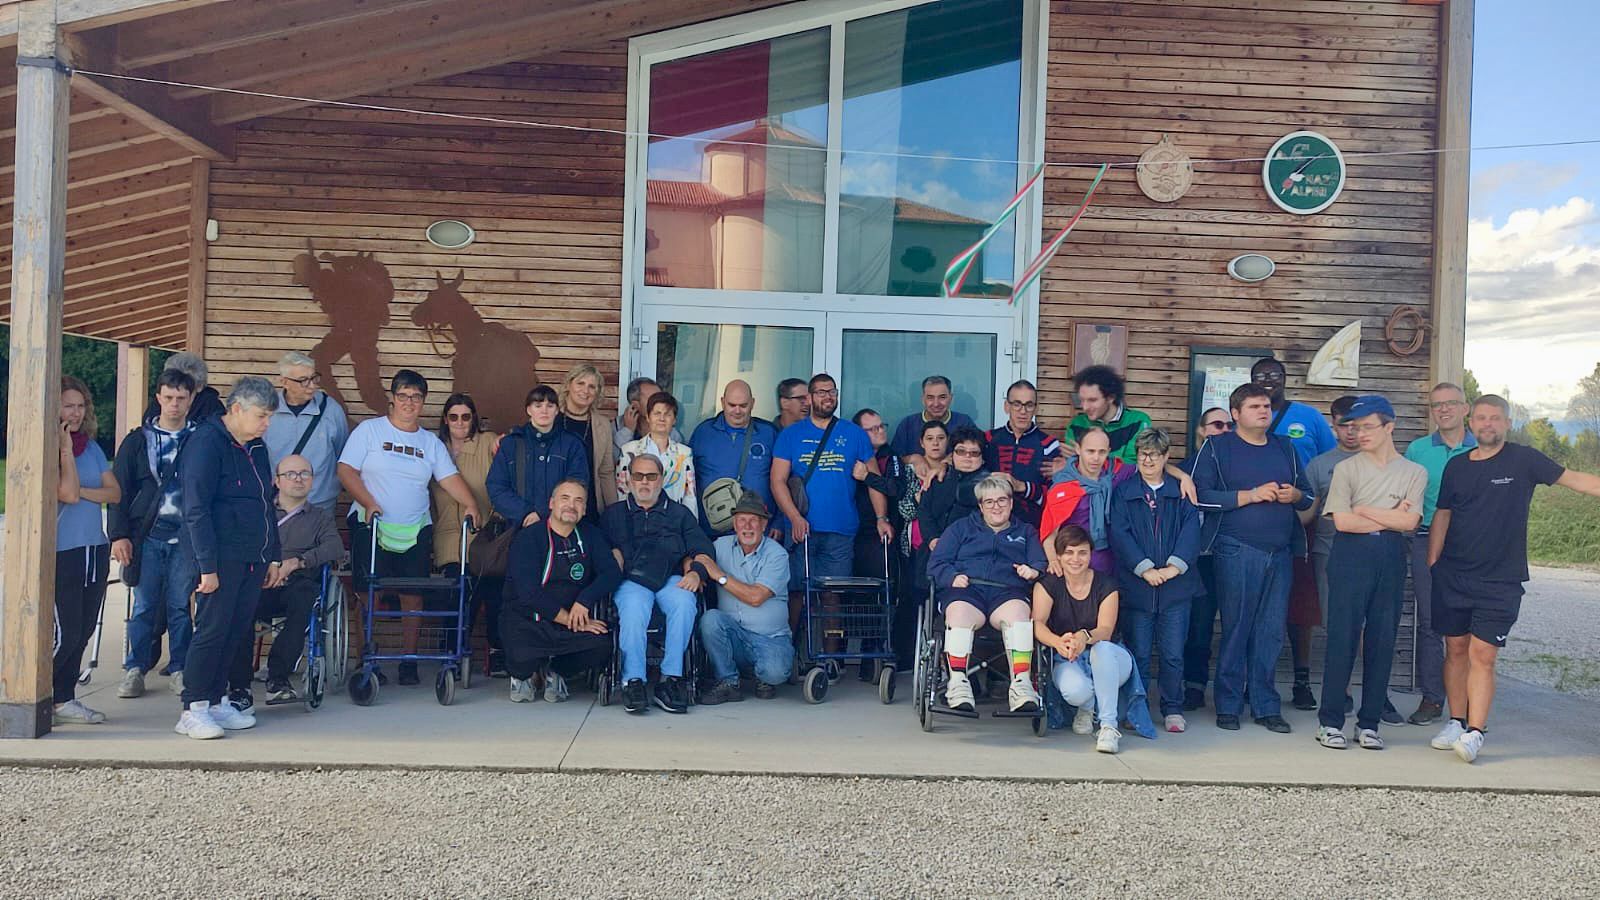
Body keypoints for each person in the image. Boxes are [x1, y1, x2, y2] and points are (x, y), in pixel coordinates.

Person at [1427, 395, 1600, 763]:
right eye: (1481, 418)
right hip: (1453, 575)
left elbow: (1577, 481)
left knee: (1483, 654)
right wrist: (1433, 560)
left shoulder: (1524, 460)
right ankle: (1456, 722)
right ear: (1470, 423)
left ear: (1507, 424)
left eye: (1495, 418)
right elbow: (1443, 512)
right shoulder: (1457, 466)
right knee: (1455, 650)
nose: (1487, 424)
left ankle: (1476, 732)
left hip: (1500, 580)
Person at [339, 370, 481, 686]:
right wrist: (368, 501)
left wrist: (470, 504)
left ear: (423, 401)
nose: (409, 402)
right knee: (368, 593)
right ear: (392, 398)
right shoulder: (370, 431)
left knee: (412, 595)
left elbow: (448, 478)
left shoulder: (429, 442)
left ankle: (408, 661)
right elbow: (346, 470)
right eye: (403, 395)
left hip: (414, 527)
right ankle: (368, 660)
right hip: (370, 523)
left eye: (416, 397)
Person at [1191, 382, 1313, 734]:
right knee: (1237, 628)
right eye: (1255, 406)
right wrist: (1250, 495)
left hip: (1281, 551)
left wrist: (1294, 495)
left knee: (1271, 631)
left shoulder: (1284, 447)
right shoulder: (1219, 447)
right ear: (1236, 413)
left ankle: (1265, 706)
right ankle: (1228, 705)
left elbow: (1308, 498)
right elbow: (1200, 496)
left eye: (1267, 406)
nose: (1264, 411)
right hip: (1236, 548)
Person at [1315, 396, 1427, 751]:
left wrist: (1366, 508)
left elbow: (1409, 522)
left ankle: (1370, 723)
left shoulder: (1414, 472)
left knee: (1382, 639)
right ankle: (1330, 721)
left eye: (1366, 426)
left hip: (1391, 556)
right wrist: (1386, 513)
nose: (1358, 433)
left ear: (1389, 427)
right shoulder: (1347, 469)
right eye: (1353, 426)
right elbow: (1343, 522)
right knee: (1342, 637)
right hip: (1350, 556)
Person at [175, 377, 279, 740]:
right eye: (262, 416)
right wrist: (207, 567)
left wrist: (274, 556)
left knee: (236, 631)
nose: (266, 424)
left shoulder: (259, 448)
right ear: (237, 409)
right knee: (211, 630)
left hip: (253, 556)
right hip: (218, 558)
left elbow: (268, 502)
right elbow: (195, 509)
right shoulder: (205, 442)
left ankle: (218, 699)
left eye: (269, 417)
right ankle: (193, 707)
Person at [226, 454, 347, 706]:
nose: (298, 479)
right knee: (239, 607)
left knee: (304, 599)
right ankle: (239, 684)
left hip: (297, 584)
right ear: (277, 481)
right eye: (290, 474)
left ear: (312, 481)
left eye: (304, 474)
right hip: (259, 582)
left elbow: (334, 547)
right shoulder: (259, 513)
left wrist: (297, 562)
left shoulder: (320, 518)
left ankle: (278, 678)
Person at [603, 454, 715, 715]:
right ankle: (634, 680)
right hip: (632, 579)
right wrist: (613, 555)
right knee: (632, 608)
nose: (644, 482)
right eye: (638, 476)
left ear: (661, 480)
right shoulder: (613, 515)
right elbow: (599, 550)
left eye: (651, 476)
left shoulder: (679, 514)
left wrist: (697, 572)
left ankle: (671, 679)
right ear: (628, 480)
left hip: (670, 577)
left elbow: (703, 547)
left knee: (685, 603)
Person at [110, 368, 199, 700]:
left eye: (181, 398)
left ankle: (179, 668)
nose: (174, 404)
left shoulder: (200, 439)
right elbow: (119, 490)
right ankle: (135, 668)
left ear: (191, 400)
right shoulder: (138, 441)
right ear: (158, 397)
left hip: (187, 536)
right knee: (144, 605)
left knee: (180, 606)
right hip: (147, 534)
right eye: (169, 397)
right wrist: (119, 535)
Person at [926, 474, 1047, 713]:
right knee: (958, 615)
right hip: (968, 590)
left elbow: (1039, 562)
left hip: (1007, 592)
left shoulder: (1026, 531)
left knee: (1020, 617)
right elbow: (936, 564)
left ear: (1011, 503)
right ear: (980, 506)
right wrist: (951, 576)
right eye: (989, 502)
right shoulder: (960, 528)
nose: (996, 506)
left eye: (1002, 500)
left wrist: (1032, 571)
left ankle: (1021, 685)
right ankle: (958, 683)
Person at [770, 373, 883, 625]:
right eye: (821, 392)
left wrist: (882, 517)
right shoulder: (791, 434)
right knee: (796, 593)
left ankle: (830, 662)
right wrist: (794, 517)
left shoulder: (854, 434)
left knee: (833, 598)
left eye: (832, 391)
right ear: (810, 398)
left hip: (841, 530)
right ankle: (792, 658)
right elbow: (777, 481)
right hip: (801, 530)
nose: (828, 397)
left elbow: (874, 480)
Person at [1109, 428, 1201, 733]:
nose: (1148, 459)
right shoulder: (1125, 491)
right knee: (1138, 653)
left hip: (1176, 589)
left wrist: (1173, 568)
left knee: (1173, 653)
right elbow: (1120, 534)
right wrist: (1145, 568)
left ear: (1165, 457)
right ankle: (1136, 707)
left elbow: (1191, 532)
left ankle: (1173, 708)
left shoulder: (1180, 491)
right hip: (1138, 587)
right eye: (1143, 453)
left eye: (1154, 454)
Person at [1033, 526, 1155, 754]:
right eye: (1069, 552)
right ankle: (1088, 707)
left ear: (1091, 554)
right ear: (1058, 555)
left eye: (1082, 552)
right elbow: (1037, 623)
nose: (1075, 559)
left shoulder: (1106, 585)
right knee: (1075, 691)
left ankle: (1108, 726)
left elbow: (1106, 630)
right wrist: (1057, 642)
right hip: (1067, 655)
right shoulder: (1048, 585)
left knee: (1103, 649)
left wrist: (1084, 636)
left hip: (1110, 658)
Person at [502, 479, 618, 704]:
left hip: (570, 621)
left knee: (602, 644)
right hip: (527, 621)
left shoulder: (591, 535)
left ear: (584, 510)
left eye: (578, 501)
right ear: (551, 504)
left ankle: (556, 671)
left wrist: (584, 601)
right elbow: (528, 594)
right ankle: (524, 675)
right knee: (522, 658)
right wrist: (571, 620)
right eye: (565, 498)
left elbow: (611, 573)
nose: (571, 505)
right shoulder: (528, 538)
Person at [1401, 381, 1476, 726]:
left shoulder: (1484, 448)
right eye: (1436, 405)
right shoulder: (1417, 451)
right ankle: (1432, 699)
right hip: (1426, 539)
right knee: (1431, 622)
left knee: (1474, 626)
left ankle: (1473, 703)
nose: (1443, 409)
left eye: (1450, 403)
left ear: (1465, 408)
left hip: (1475, 545)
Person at [51, 376, 122, 726]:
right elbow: (67, 493)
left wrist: (85, 490)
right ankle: (26, 695)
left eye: (80, 405)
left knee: (83, 632)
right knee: (64, 634)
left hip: (94, 548)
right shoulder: (49, 447)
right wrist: (64, 448)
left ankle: (64, 698)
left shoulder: (91, 448)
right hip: (63, 550)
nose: (76, 412)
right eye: (68, 405)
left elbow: (115, 493)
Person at [1290, 395, 1360, 712]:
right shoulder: (1319, 465)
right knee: (1336, 624)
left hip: (1374, 554)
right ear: (1333, 425)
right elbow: (1309, 514)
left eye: (1357, 424)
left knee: (1369, 626)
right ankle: (1338, 690)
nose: (1351, 431)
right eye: (1344, 424)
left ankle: (1373, 690)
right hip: (1329, 551)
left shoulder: (1383, 462)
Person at [696, 494, 794, 703]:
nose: (747, 526)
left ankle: (764, 674)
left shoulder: (777, 555)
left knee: (774, 673)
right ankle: (728, 682)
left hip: (770, 638)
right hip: (735, 636)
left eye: (754, 520)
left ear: (764, 524)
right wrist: (693, 571)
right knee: (711, 619)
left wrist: (719, 576)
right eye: (742, 519)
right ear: (734, 523)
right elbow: (697, 556)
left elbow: (756, 597)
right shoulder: (720, 545)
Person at [433, 394, 502, 673]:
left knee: (491, 590)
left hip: (483, 534)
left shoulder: (487, 442)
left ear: (474, 418)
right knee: (455, 595)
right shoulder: (435, 448)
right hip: (447, 535)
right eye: (453, 416)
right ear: (445, 420)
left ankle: (496, 653)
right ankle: (450, 653)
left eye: (466, 416)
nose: (460, 422)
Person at [488, 384, 591, 535]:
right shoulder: (511, 444)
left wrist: (542, 512)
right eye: (538, 405)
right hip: (518, 528)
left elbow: (578, 484)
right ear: (529, 410)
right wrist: (525, 513)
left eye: (550, 406)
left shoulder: (572, 444)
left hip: (561, 529)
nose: (544, 410)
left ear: (557, 411)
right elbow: (496, 486)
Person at [1181, 407, 1231, 710]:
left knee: (1237, 624)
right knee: (1198, 625)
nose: (1223, 429)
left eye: (1229, 425)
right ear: (1201, 430)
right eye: (1216, 424)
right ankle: (1194, 685)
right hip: (1195, 558)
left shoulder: (1237, 468)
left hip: (1229, 553)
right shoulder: (1185, 468)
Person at [1040, 428, 1136, 576]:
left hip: (1113, 563)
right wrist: (1053, 561)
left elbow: (1151, 467)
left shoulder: (1116, 472)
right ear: (1078, 449)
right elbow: (1049, 532)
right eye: (1090, 451)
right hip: (1074, 563)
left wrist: (1184, 477)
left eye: (1102, 452)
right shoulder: (1063, 486)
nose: (1096, 458)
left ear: (1109, 451)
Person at [893, 419, 950, 667]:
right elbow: (904, 510)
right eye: (930, 438)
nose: (935, 443)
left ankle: (941, 659)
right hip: (915, 546)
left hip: (944, 546)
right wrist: (919, 500)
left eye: (940, 438)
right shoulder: (910, 470)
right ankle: (907, 657)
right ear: (921, 443)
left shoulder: (952, 470)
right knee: (911, 600)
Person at [263, 350, 350, 513]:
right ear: (284, 382)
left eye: (313, 378)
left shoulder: (331, 410)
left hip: (320, 504)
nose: (312, 386)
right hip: (276, 504)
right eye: (303, 381)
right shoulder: (268, 410)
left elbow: (343, 456)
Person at [690, 379, 779, 535]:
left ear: (752, 403)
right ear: (723, 402)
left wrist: (779, 523)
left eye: (743, 405)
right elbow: (688, 481)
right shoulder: (703, 433)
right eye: (732, 405)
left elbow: (783, 480)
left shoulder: (768, 433)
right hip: (712, 530)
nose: (737, 411)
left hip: (759, 531)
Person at [984, 379, 1063, 527]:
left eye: (1029, 405)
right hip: (990, 526)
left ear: (1036, 409)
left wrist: (1022, 486)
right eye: (1017, 404)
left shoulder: (1049, 445)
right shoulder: (988, 439)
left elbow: (1055, 496)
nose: (1023, 411)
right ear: (1007, 406)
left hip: (1031, 527)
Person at [617, 390, 698, 517]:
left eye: (667, 414)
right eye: (657, 413)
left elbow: (690, 496)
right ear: (648, 417)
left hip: (673, 522)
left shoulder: (684, 453)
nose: (661, 418)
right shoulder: (629, 451)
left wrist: (691, 528)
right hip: (637, 520)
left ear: (674, 420)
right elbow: (622, 492)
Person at [555, 364, 619, 519]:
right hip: (555, 506)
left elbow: (606, 472)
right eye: (580, 383)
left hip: (588, 505)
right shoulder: (551, 417)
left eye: (592, 387)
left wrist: (614, 512)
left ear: (597, 393)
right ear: (569, 385)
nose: (585, 391)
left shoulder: (602, 425)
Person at [1250, 357, 1336, 467]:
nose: (1267, 380)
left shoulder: (1310, 416)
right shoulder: (1245, 418)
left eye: (1274, 375)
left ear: (1284, 379)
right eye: (1260, 376)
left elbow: (1330, 457)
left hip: (1303, 484)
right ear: (1252, 382)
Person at [916, 425, 990, 551]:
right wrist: (933, 538)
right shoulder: (938, 478)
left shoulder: (990, 486)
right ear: (952, 455)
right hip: (932, 550)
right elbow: (924, 511)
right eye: (961, 451)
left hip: (971, 552)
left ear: (982, 458)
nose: (967, 457)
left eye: (974, 453)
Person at [891, 375, 976, 473]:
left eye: (942, 397)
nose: (936, 404)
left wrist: (954, 457)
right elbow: (893, 459)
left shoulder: (964, 422)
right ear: (923, 399)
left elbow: (978, 451)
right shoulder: (907, 424)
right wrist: (914, 458)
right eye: (930, 398)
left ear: (951, 398)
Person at [1068, 365, 1151, 465]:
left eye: (1092, 400)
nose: (1085, 407)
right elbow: (1071, 465)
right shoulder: (1076, 424)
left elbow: (1134, 466)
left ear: (1110, 398)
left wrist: (1084, 460)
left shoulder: (1138, 421)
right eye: (1082, 400)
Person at [144, 351, 224, 423]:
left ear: (199, 386)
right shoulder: (159, 403)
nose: (174, 403)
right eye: (172, 383)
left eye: (187, 385)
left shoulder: (212, 407)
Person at [613, 376, 682, 457]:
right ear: (635, 405)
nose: (660, 403)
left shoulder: (666, 427)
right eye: (653, 399)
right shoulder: (616, 427)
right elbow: (617, 459)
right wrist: (627, 431)